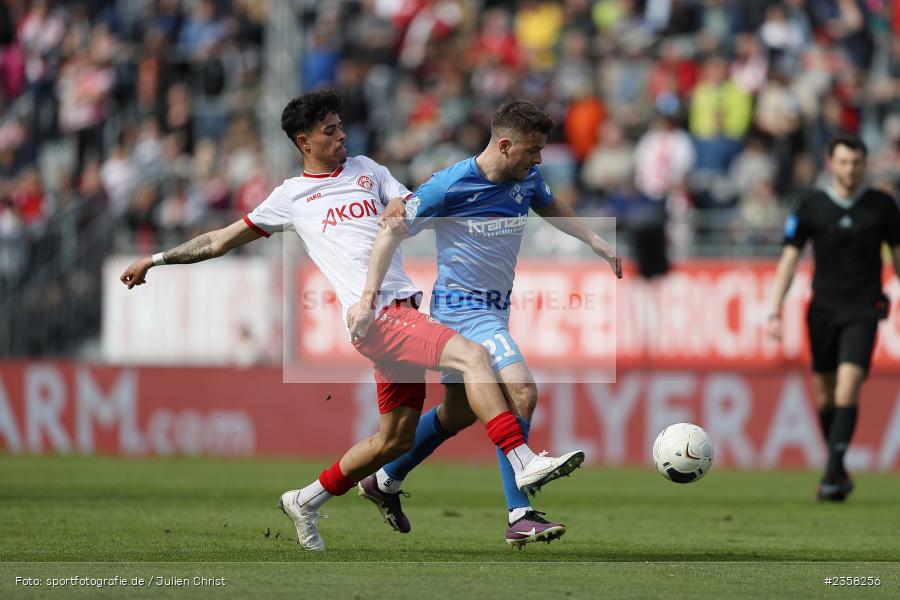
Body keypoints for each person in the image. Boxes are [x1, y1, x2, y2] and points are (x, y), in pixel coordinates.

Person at [119, 90, 584, 551]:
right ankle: (522, 460)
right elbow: (218, 241)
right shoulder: (291, 196)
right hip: (376, 316)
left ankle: (306, 498)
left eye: (341, 127)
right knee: (473, 355)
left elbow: (407, 203)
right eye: (330, 131)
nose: (342, 136)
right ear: (303, 141)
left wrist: (401, 205)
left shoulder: (368, 170)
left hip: (401, 311)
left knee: (395, 440)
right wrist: (156, 259)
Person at [347, 99, 621, 546]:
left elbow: (549, 205)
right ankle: (521, 511)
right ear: (506, 144)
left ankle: (385, 478)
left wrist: (595, 241)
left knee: (456, 415)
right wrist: (366, 300)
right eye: (532, 150)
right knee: (522, 391)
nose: (539, 160)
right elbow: (389, 232)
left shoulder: (526, 179)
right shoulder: (449, 185)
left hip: (495, 310)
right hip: (461, 311)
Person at [767, 133, 900, 502]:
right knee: (825, 395)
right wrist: (774, 310)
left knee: (848, 386)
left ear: (865, 164)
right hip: (822, 308)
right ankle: (839, 468)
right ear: (831, 163)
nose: (850, 169)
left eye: (856, 162)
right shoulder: (811, 205)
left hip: (864, 307)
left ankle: (829, 478)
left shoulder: (882, 206)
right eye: (843, 162)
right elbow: (789, 260)